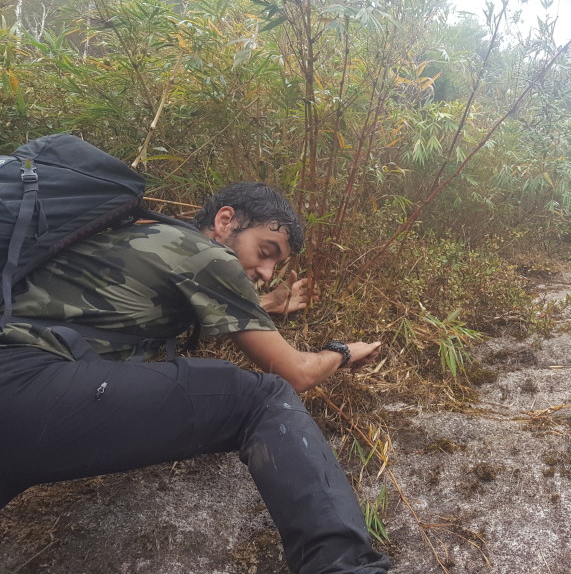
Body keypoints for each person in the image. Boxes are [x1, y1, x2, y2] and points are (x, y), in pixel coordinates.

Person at [0, 182, 391, 574]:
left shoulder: (145, 232)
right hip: (24, 381)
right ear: (225, 220)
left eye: (276, 265)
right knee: (264, 398)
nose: (267, 273)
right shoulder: (208, 257)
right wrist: (341, 353)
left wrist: (264, 307)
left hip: (22, 396)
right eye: (265, 252)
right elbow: (295, 373)